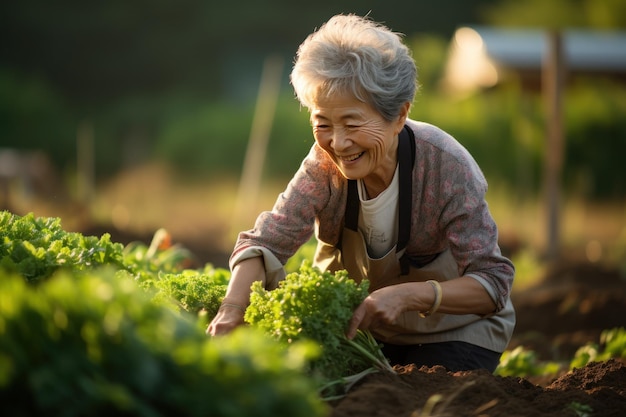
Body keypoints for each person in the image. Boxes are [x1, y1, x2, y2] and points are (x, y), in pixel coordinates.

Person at [208, 14, 515, 373]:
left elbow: (493, 283)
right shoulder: (323, 164)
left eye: (352, 124)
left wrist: (408, 295)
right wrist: (231, 311)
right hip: (361, 331)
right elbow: (267, 241)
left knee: (423, 397)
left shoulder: (446, 167)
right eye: (322, 124)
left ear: (399, 116)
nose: (337, 143)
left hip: (451, 332)